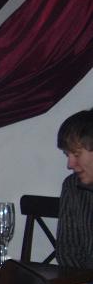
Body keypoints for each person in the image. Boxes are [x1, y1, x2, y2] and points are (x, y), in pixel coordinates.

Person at [56, 108, 93, 269]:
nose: (70, 164)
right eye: (67, 155)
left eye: (76, 155)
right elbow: (67, 252)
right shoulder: (72, 186)